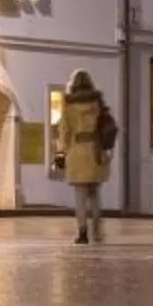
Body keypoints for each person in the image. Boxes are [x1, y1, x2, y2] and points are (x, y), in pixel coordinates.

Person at [59, 69, 118, 244]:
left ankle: (82, 232)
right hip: (95, 151)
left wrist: (64, 151)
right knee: (94, 195)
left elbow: (64, 132)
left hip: (77, 151)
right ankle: (97, 231)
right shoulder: (97, 104)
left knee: (80, 196)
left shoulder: (68, 106)